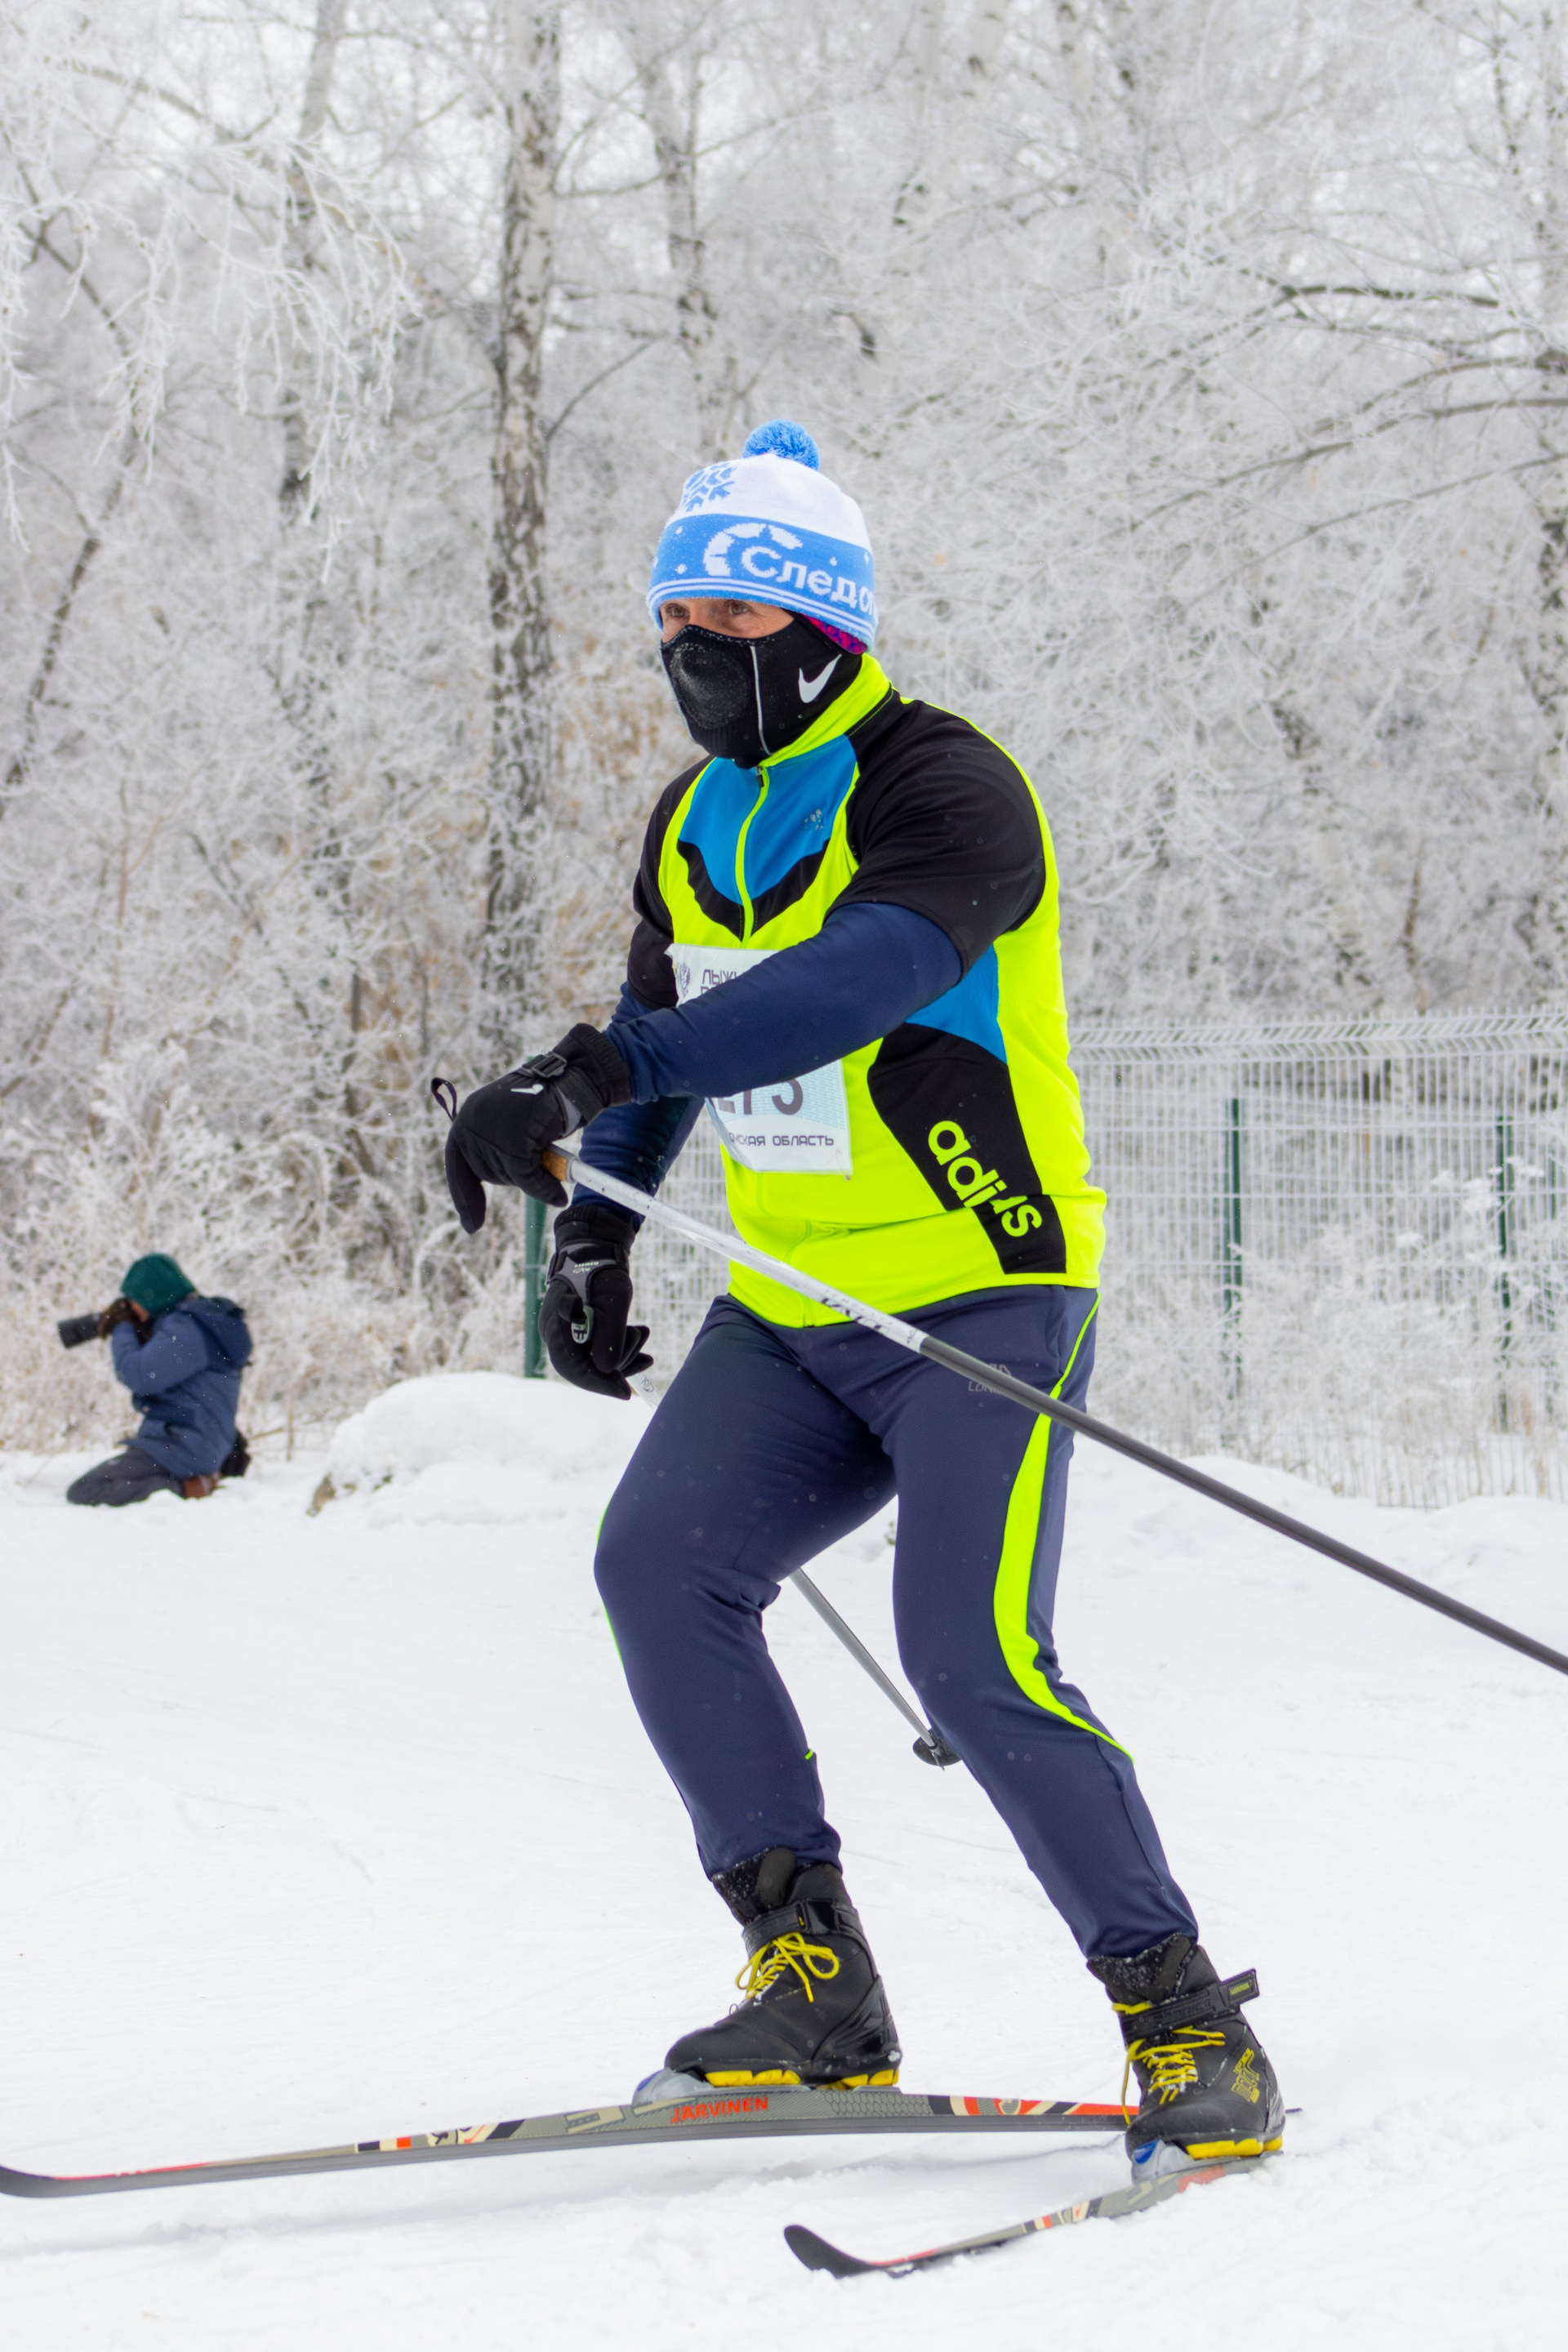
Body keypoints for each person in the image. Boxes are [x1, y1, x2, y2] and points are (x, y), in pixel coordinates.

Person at [441, 420, 1284, 2177]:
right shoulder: (694, 818)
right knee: (658, 1570)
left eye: (736, 618)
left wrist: (597, 1066)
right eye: (676, 617)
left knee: (972, 1658)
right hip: (796, 1311)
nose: (696, 649)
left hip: (982, 1293)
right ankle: (812, 1985)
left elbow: (857, 980)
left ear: (826, 627)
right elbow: (672, 1024)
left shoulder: (945, 784)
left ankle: (1185, 2018)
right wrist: (598, 1227)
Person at [65, 1254, 252, 1508]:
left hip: (184, 1445)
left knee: (87, 1490)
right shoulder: (201, 1322)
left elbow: (139, 1375)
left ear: (151, 1297)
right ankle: (198, 1478)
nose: (132, 1309)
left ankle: (190, 1487)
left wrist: (122, 1327)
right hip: (198, 1441)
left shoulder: (186, 1329)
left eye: (134, 1302)